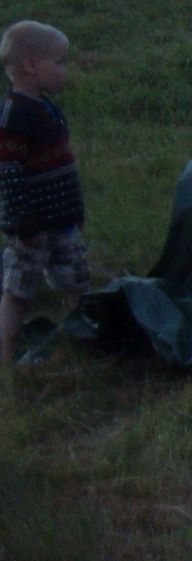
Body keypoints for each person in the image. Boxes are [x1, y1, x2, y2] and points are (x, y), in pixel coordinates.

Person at [1, 21, 89, 366]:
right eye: (60, 62)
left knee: (77, 281)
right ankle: (5, 357)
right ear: (33, 65)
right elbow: (9, 177)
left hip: (63, 222)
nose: (64, 70)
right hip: (32, 230)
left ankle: (85, 342)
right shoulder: (13, 116)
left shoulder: (48, 108)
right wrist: (26, 224)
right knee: (19, 291)